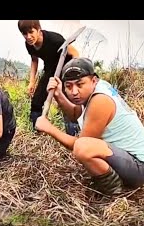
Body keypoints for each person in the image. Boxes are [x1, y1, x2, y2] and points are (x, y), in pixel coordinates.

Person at [35, 58, 144, 195]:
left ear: (93, 80)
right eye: (68, 86)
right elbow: (77, 113)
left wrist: (50, 128)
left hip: (139, 167)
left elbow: (80, 144)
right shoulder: (96, 89)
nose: (74, 92)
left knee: (83, 148)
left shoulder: (100, 100)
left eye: (80, 84)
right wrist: (58, 94)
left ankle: (115, 190)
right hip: (126, 159)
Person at [18, 20, 79, 134]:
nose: (28, 37)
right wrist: (32, 81)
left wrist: (73, 76)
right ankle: (36, 131)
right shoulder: (29, 44)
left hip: (66, 70)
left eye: (31, 32)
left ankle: (74, 135)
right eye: (24, 34)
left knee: (67, 104)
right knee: (36, 101)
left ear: (38, 30)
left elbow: (75, 53)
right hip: (50, 70)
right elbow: (34, 61)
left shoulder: (55, 40)